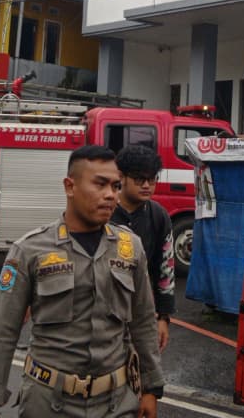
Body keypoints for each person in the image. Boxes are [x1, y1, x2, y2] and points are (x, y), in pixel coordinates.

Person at [0, 145, 164, 418]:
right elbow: (2, 331)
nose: (110, 195)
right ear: (70, 187)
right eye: (99, 184)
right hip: (48, 403)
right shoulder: (30, 250)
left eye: (115, 186)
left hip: (117, 403)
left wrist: (150, 388)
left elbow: (143, 321)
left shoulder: (130, 247)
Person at [111, 145, 176, 352]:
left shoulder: (159, 215)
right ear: (121, 177)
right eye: (139, 179)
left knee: (145, 372)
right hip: (105, 312)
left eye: (152, 179)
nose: (147, 185)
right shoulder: (104, 211)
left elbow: (166, 268)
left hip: (143, 312)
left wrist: (163, 317)